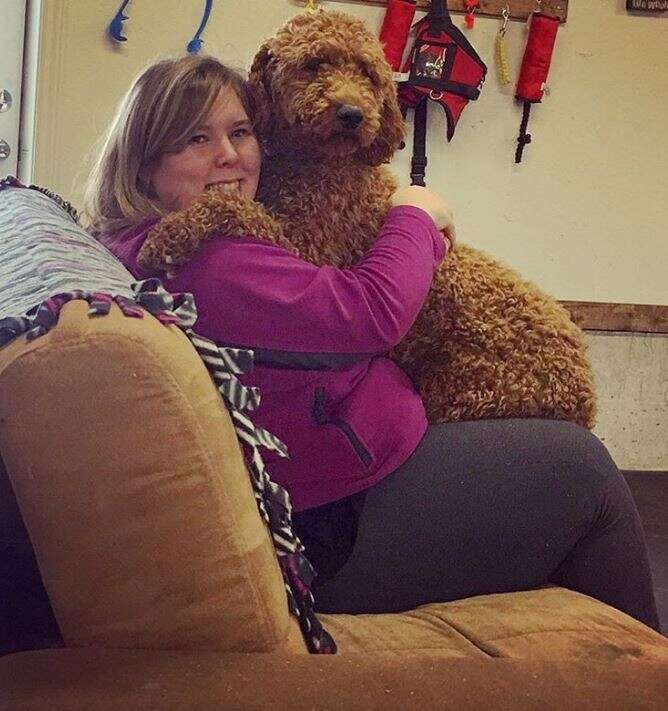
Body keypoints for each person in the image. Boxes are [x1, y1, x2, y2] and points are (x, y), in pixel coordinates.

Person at [84, 54, 660, 632]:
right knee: (582, 468)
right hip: (329, 528)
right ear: (142, 164)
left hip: (349, 463)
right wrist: (415, 213)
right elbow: (369, 313)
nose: (229, 155)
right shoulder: (205, 258)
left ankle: (585, 656)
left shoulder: (167, 239)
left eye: (240, 132)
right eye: (195, 139)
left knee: (553, 473)